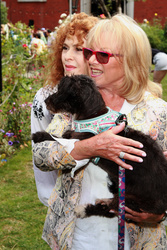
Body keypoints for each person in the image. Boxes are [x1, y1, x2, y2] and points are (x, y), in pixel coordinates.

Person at [33, 14, 167, 249]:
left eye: (102, 55)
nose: (92, 61)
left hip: (138, 240)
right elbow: (42, 154)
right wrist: (88, 148)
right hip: (78, 236)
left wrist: (160, 212)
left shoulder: (156, 110)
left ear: (131, 61)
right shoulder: (77, 102)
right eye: (89, 52)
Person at [31, 13, 99, 207]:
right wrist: (54, 201)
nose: (67, 56)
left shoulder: (109, 94)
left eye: (78, 49)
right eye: (65, 47)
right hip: (64, 203)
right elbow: (40, 150)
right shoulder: (46, 97)